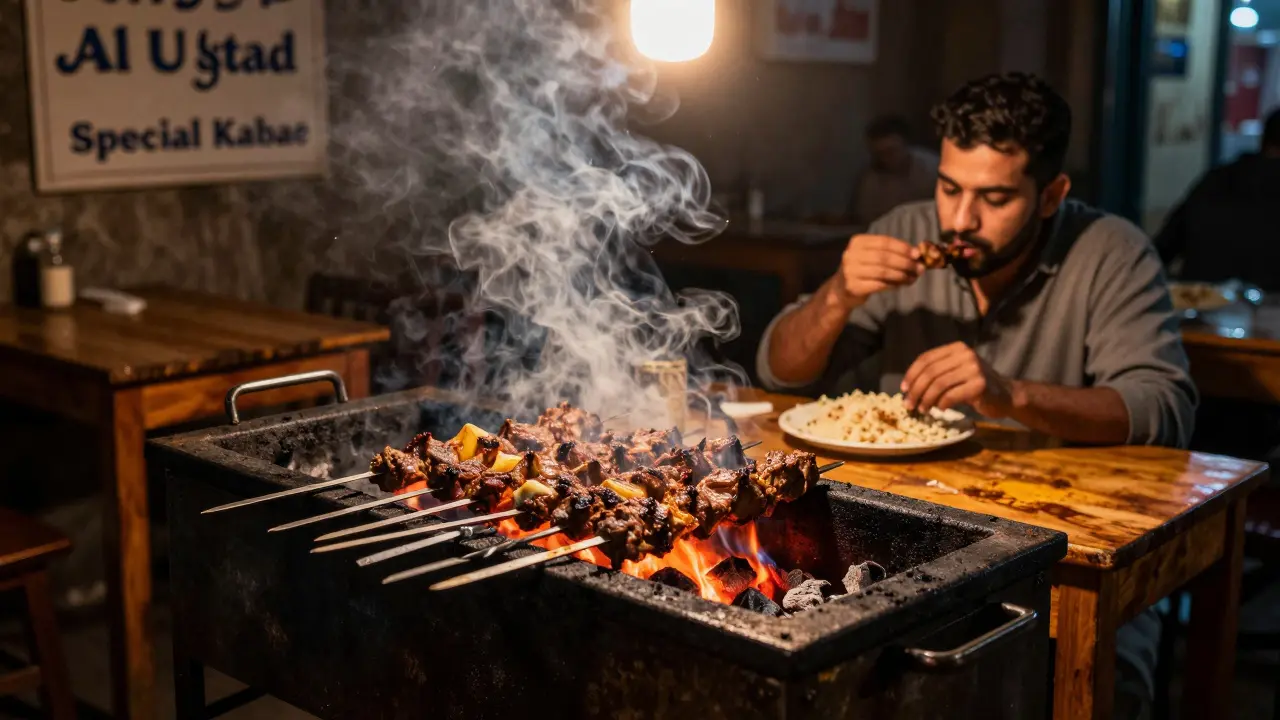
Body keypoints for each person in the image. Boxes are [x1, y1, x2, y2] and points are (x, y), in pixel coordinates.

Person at [758, 73, 1195, 717]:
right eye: (950, 187)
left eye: (994, 198)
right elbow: (780, 373)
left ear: (1051, 195)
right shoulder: (906, 229)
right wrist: (837, 296)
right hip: (904, 536)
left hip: (1067, 549)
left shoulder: (1112, 252)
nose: (960, 220)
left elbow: (1163, 409)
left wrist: (1009, 392)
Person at [1154, 107, 1280, 290]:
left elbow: (1162, 249)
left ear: (1263, 140)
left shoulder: (1216, 180)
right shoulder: (1217, 181)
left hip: (1197, 307)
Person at [849, 115, 940, 226]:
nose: (886, 158)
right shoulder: (870, 178)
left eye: (891, 151)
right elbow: (864, 218)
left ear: (906, 145)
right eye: (879, 154)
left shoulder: (932, 168)